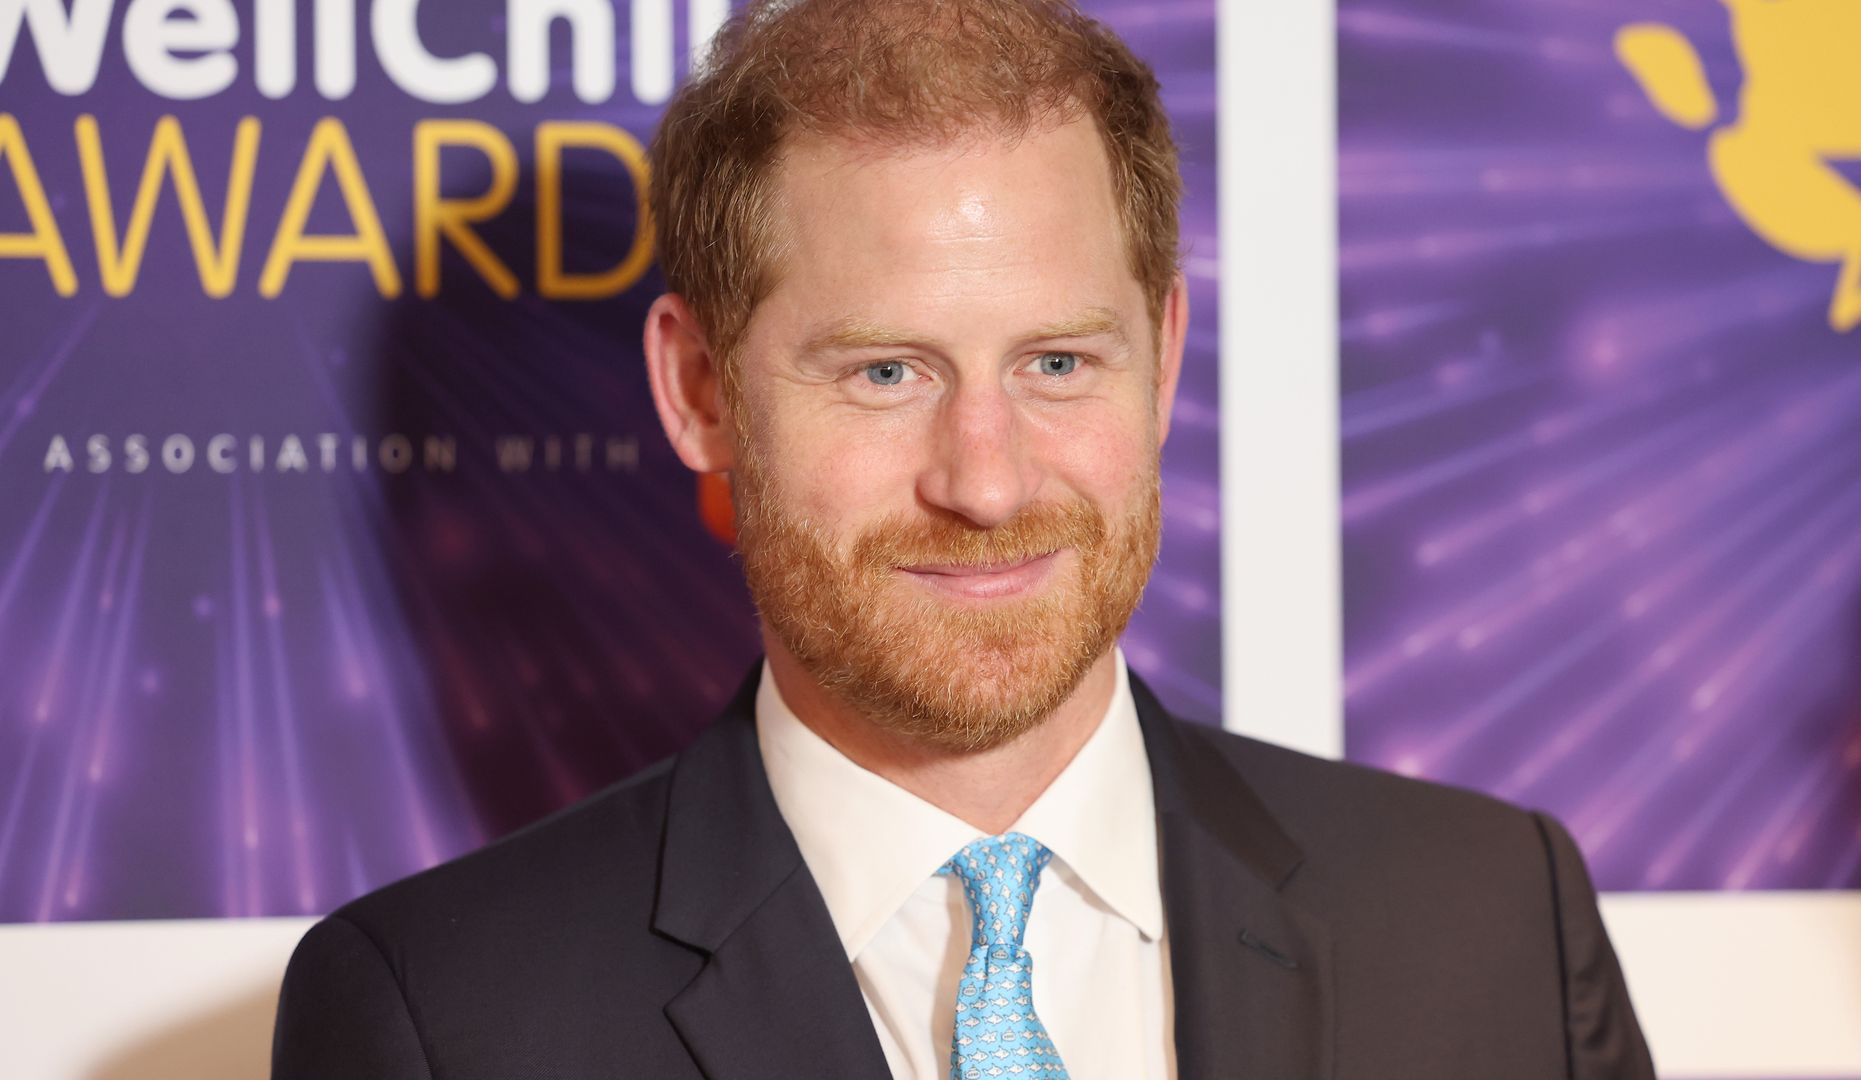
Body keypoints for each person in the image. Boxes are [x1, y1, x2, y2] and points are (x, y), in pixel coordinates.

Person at [270, 1, 1657, 1076]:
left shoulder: (1490, 925)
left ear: (1165, 357)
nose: (986, 482)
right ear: (700, 392)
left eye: (1058, 362)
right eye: (885, 373)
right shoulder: (444, 1019)